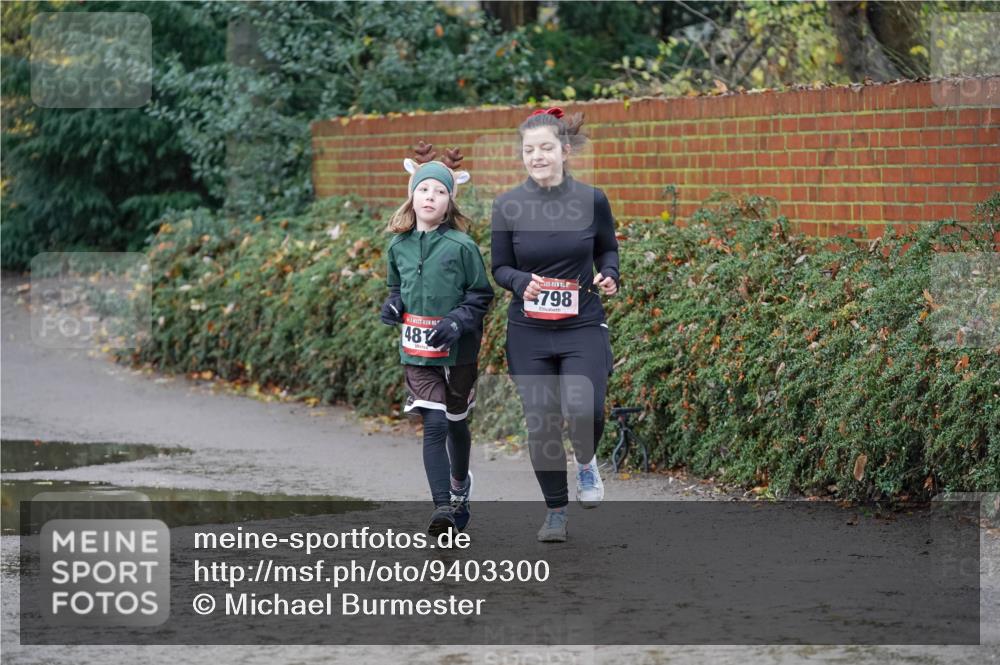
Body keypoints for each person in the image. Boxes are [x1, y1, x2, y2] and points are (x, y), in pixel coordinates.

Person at [491, 107, 619, 542]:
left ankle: (586, 462)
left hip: (582, 322)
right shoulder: (507, 205)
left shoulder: (592, 200)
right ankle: (555, 512)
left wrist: (610, 275)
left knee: (587, 409)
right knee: (542, 422)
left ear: (565, 150)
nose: (537, 156)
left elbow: (608, 251)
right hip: (528, 329)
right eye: (529, 150)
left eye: (546, 147)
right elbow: (500, 268)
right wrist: (521, 281)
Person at [381, 142, 494, 537]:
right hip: (418, 352)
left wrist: (457, 322)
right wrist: (393, 305)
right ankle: (443, 507)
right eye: (424, 189)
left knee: (457, 423)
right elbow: (395, 287)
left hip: (459, 351)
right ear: (412, 195)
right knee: (434, 425)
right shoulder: (398, 245)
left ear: (450, 202)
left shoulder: (462, 247)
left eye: (440, 191)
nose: (431, 196)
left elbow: (481, 295)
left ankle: (461, 486)